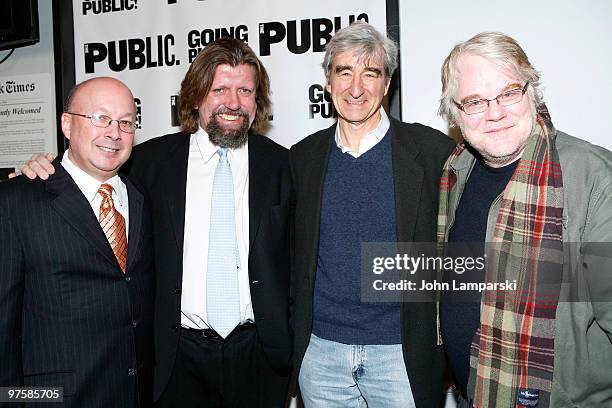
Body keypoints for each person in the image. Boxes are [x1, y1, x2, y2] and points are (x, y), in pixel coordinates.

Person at [16, 38, 292, 407]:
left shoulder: (284, 166)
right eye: (220, 89)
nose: (233, 102)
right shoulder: (147, 163)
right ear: (195, 98)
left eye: (245, 90)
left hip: (259, 354)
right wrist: (43, 170)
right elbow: (87, 169)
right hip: (175, 358)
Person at [437, 32, 612, 407]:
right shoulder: (456, 172)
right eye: (475, 101)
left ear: (532, 91)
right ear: (454, 112)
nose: (495, 112)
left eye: (508, 93)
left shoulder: (593, 177)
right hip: (474, 393)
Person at [289, 21, 455, 407]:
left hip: (401, 355)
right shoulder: (301, 159)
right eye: (344, 72)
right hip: (321, 355)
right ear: (328, 82)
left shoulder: (432, 152)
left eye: (370, 73)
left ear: (387, 84)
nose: (356, 88)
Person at [0, 77, 155, 407]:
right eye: (101, 118)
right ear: (67, 124)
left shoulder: (143, 197)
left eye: (126, 122)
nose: (114, 132)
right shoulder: (15, 202)